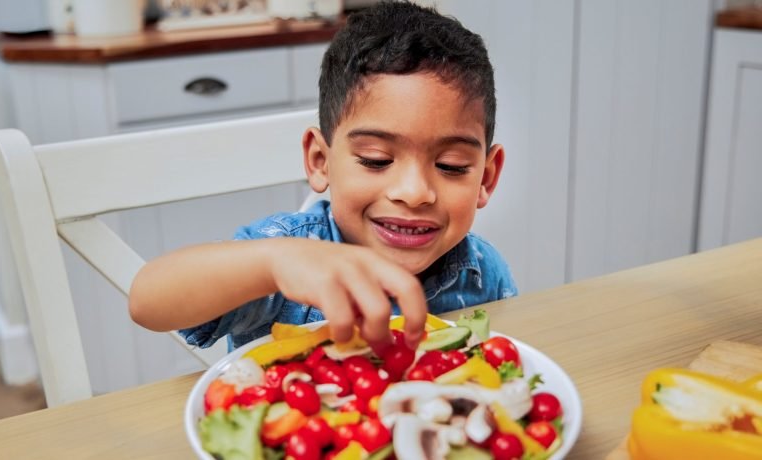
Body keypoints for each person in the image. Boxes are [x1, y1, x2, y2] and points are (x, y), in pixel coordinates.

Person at [128, 1, 516, 355]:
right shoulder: (287, 261)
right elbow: (147, 302)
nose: (414, 193)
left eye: (451, 165)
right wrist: (271, 264)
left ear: (486, 176)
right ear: (319, 160)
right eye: (376, 159)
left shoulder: (484, 271)